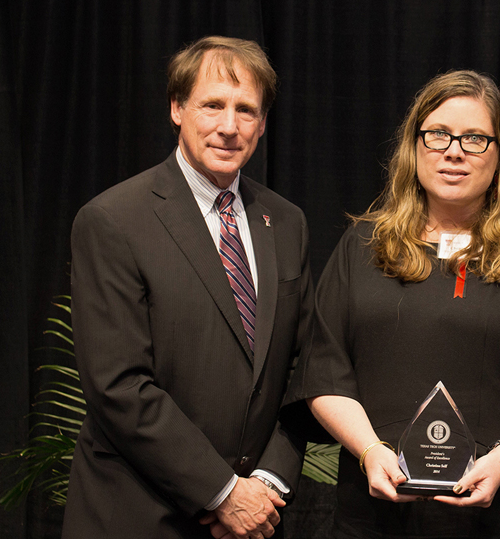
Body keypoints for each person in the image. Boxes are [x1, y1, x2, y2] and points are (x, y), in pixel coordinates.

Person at [291, 70, 500, 538]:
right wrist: (370, 452)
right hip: (377, 513)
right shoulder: (362, 247)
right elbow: (325, 371)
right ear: (414, 147)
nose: (454, 151)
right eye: (438, 135)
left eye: (474, 138)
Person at [62, 36, 314, 539]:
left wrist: (263, 485)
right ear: (177, 108)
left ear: (263, 124)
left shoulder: (286, 222)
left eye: (247, 110)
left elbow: (303, 368)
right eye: (213, 105)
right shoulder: (112, 221)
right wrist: (223, 492)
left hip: (257, 520)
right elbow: (119, 385)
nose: (229, 126)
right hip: (137, 516)